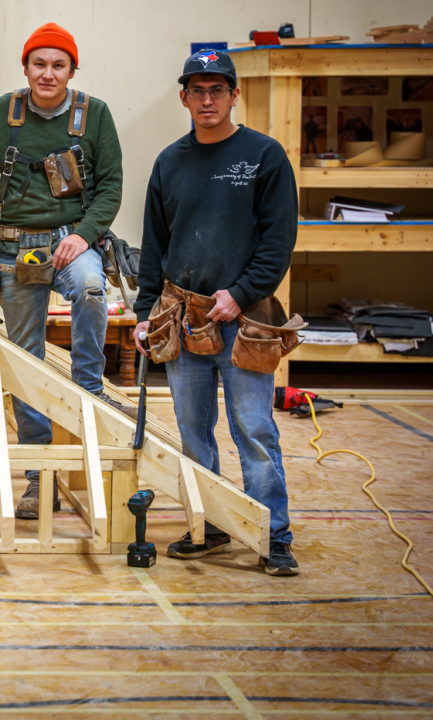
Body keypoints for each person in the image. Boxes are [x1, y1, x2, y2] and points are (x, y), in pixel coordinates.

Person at [0, 22, 128, 520]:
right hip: (15, 249)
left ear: (72, 70)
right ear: (26, 67)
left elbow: (111, 186)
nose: (48, 73)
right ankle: (38, 477)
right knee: (25, 362)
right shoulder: (2, 112)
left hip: (72, 243)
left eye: (58, 65)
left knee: (93, 290)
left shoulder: (94, 116)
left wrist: (83, 235)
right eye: (39, 63)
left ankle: (88, 390)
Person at [132, 49, 300, 577]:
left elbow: (278, 241)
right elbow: (155, 247)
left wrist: (241, 291)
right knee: (195, 433)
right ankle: (212, 526)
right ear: (183, 97)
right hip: (184, 320)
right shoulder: (169, 162)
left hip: (245, 320)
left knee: (253, 429)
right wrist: (144, 312)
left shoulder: (264, 156)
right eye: (197, 90)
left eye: (217, 90)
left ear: (233, 95)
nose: (207, 100)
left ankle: (274, 538)